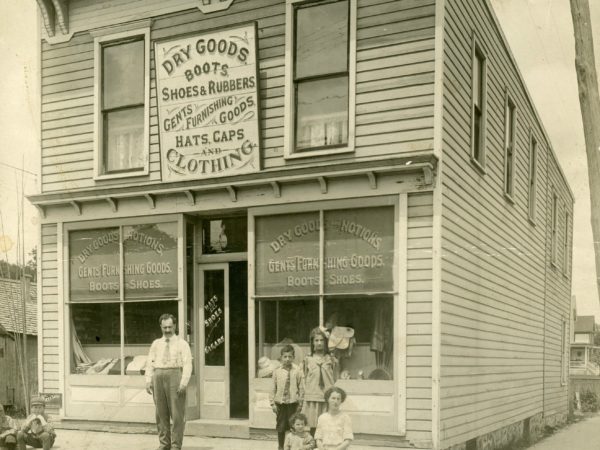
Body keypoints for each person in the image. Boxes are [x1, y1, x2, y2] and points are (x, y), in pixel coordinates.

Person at [145, 313, 193, 450]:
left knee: (177, 414)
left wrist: (183, 382)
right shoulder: (156, 344)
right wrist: (148, 380)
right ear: (160, 327)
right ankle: (164, 444)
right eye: (164, 327)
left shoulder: (182, 344)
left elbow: (188, 364)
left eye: (170, 327)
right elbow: (150, 363)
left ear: (175, 326)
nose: (167, 330)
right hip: (158, 376)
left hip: (175, 376)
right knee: (160, 414)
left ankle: (176, 445)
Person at [301, 327, 337, 436]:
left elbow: (335, 377)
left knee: (326, 423)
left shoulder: (330, 359)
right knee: (313, 424)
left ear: (325, 342)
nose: (319, 343)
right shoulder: (307, 359)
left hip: (326, 396)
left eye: (322, 340)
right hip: (313, 396)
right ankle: (313, 444)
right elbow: (304, 376)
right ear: (312, 343)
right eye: (316, 340)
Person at [270, 345, 304, 450]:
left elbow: (301, 388)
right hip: (280, 403)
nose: (287, 359)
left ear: (293, 357)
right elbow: (273, 388)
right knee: (281, 426)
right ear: (281, 357)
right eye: (285, 357)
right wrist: (272, 403)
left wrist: (300, 403)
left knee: (293, 426)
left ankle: (293, 446)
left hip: (293, 403)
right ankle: (281, 446)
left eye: (290, 356)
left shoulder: (297, 370)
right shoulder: (277, 371)